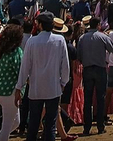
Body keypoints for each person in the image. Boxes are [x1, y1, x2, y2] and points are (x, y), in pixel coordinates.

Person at [18, 12, 72, 141]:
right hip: (53, 87)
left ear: (40, 25)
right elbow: (65, 65)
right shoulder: (59, 40)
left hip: (36, 89)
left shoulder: (32, 41)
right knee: (50, 124)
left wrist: (19, 86)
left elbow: (25, 66)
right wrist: (63, 82)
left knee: (34, 124)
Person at [0, 25, 26, 141]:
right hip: (11, 91)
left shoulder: (0, 51)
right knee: (7, 126)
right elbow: (21, 72)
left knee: (15, 122)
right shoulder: (16, 52)